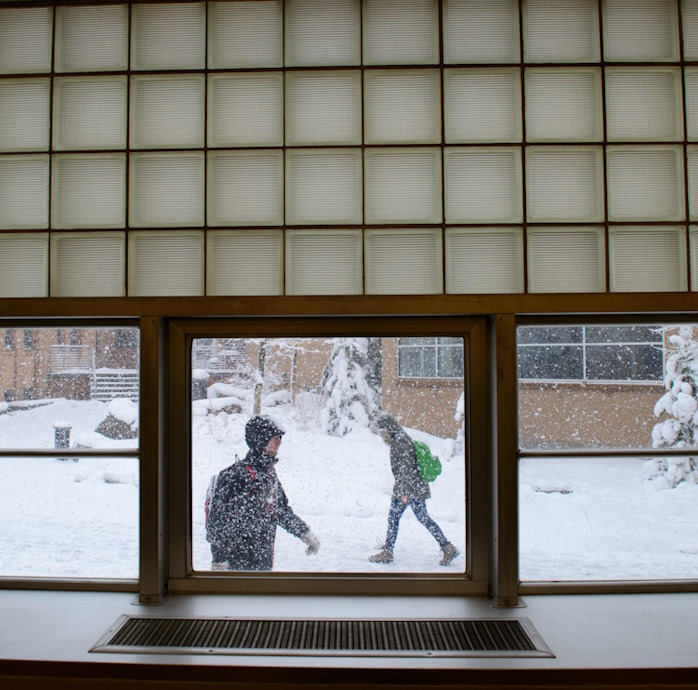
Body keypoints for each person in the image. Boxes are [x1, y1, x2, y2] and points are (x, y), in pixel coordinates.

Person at [206, 415, 320, 571]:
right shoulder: (235, 475)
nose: (279, 441)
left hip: (262, 566)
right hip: (235, 568)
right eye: (274, 437)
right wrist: (219, 561)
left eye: (280, 437)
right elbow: (217, 523)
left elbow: (280, 510)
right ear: (260, 440)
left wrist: (304, 533)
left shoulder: (268, 474)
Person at [369, 414, 458, 566]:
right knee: (420, 518)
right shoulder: (400, 439)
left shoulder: (400, 442)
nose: (381, 436)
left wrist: (403, 493)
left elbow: (405, 469)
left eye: (381, 432)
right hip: (414, 487)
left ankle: (388, 552)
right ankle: (446, 546)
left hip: (410, 489)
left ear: (387, 429)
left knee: (394, 518)